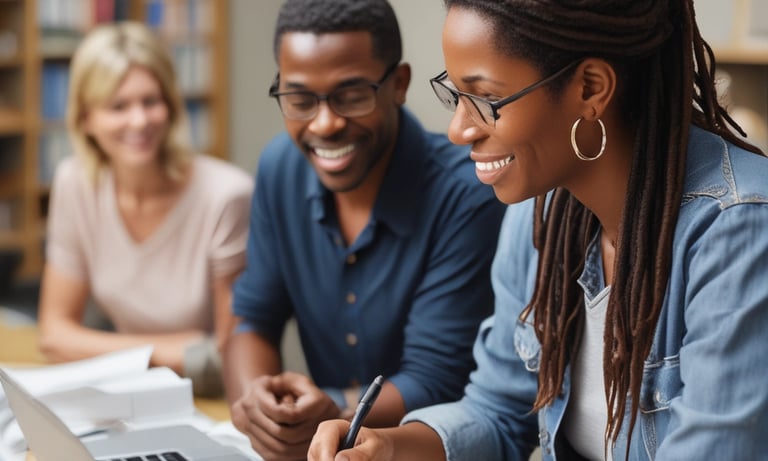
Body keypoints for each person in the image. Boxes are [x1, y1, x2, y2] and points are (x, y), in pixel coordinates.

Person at [308, 0, 768, 460]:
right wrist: (387, 448)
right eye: (456, 94)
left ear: (591, 88)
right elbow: (499, 410)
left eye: (486, 99)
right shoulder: (540, 213)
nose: (458, 129)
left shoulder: (739, 227)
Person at [222, 0, 506, 459]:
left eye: (351, 96)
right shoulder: (280, 168)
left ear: (399, 85)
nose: (324, 122)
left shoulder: (465, 192)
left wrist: (332, 414)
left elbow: (435, 379)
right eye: (299, 99)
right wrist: (258, 403)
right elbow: (253, 318)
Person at [37, 21, 253, 398]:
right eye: (118, 106)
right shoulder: (75, 184)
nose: (139, 120)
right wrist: (176, 349)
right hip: (127, 391)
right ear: (86, 118)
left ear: (169, 105)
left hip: (214, 401)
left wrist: (98, 348)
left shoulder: (226, 197)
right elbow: (54, 336)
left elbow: (228, 358)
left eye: (150, 101)